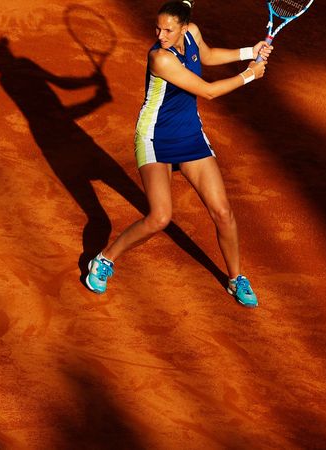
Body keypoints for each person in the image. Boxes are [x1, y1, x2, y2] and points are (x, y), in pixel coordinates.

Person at [82, 0, 272, 307]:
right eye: (158, 28)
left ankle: (236, 278)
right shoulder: (160, 58)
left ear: (184, 28)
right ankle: (104, 259)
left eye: (168, 30)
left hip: (189, 134)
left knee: (223, 212)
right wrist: (249, 75)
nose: (160, 35)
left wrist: (250, 51)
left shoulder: (192, 33)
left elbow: (207, 56)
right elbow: (208, 91)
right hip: (155, 137)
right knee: (160, 217)